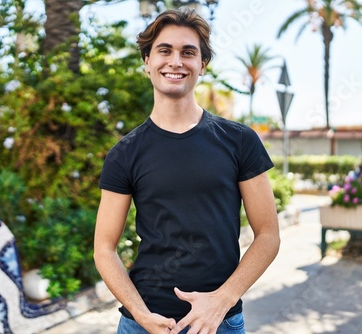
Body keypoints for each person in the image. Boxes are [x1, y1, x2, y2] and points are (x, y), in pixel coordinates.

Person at [93, 7, 280, 334]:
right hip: (144, 324)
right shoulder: (125, 153)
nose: (175, 61)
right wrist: (140, 313)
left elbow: (268, 235)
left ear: (202, 65)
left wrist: (222, 300)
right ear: (147, 61)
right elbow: (104, 248)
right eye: (164, 50)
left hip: (219, 323)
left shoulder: (240, 141)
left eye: (188, 52)